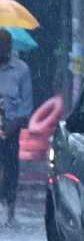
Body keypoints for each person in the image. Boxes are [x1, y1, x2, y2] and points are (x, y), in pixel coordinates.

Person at [0, 29, 33, 227]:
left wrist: (12, 126)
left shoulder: (21, 70)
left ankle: (10, 210)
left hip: (11, 128)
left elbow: (26, 105)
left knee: (11, 168)